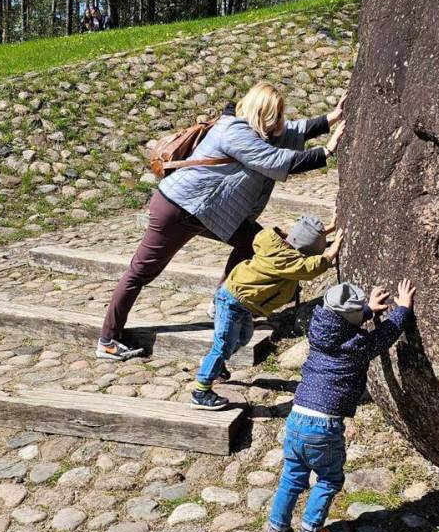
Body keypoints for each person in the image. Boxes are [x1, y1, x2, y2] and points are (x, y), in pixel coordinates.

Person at [96, 81, 346, 360]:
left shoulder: (252, 129)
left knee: (255, 242)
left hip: (210, 213)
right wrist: (326, 152)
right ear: (263, 113)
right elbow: (275, 160)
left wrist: (330, 119)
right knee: (140, 272)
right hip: (176, 209)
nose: (280, 120)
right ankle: (108, 339)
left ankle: (221, 302)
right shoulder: (234, 131)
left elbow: (288, 132)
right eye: (276, 114)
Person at [266, 278, 416, 532]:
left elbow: (343, 323)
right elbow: (385, 336)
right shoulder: (356, 345)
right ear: (352, 319)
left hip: (297, 416)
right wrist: (403, 309)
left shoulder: (319, 328)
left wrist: (368, 310)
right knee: (329, 479)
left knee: (292, 477)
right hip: (323, 425)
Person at [191, 214, 343, 410]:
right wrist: (330, 253)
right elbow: (309, 268)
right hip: (233, 301)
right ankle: (201, 391)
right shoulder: (286, 261)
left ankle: (214, 363)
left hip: (242, 303)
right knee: (223, 345)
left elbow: (299, 238)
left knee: (244, 337)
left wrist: (327, 229)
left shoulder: (275, 246)